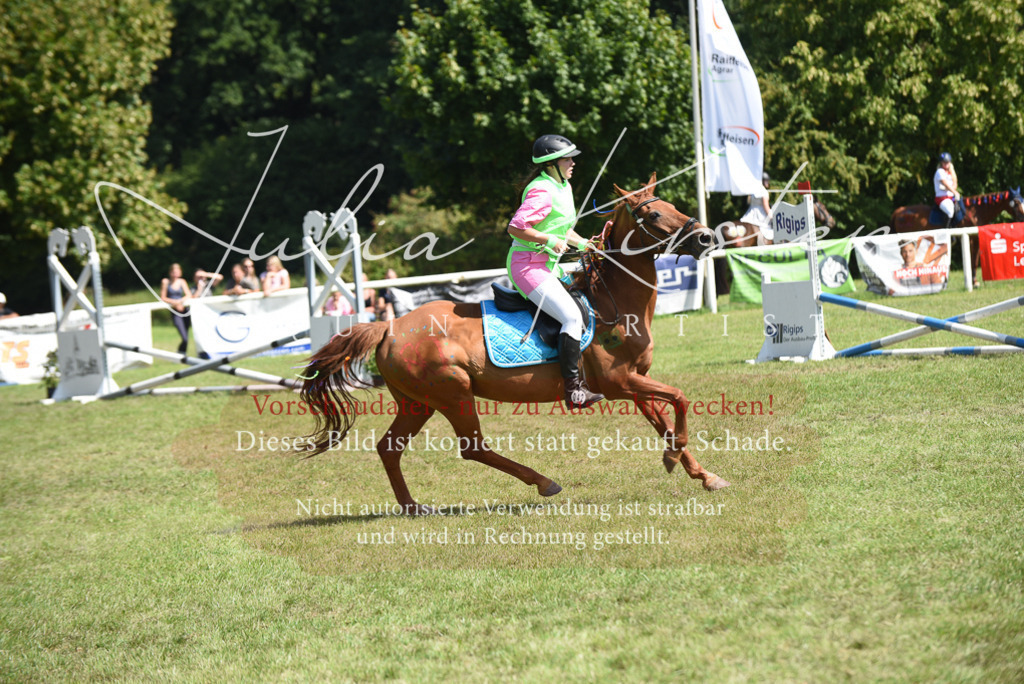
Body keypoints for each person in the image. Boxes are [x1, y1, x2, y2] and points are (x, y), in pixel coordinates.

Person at [506, 134, 602, 410]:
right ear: (551, 164)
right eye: (567, 159)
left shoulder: (563, 186)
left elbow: (559, 228)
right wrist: (548, 241)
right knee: (571, 317)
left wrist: (584, 243)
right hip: (527, 266)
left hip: (549, 266)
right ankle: (574, 391)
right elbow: (515, 227)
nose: (573, 163)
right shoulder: (541, 190)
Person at [160, 263, 192, 353]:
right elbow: (163, 297)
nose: (175, 275)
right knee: (184, 336)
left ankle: (182, 353)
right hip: (175, 311)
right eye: (174, 272)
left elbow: (188, 294)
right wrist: (175, 302)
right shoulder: (165, 282)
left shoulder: (182, 281)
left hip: (184, 310)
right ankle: (181, 353)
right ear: (170, 273)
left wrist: (180, 301)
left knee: (186, 335)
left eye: (177, 272)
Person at [934, 152, 963, 226]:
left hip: (951, 197)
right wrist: (954, 192)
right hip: (942, 198)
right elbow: (945, 184)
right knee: (950, 211)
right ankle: (946, 231)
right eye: (944, 162)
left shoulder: (951, 172)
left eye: (947, 162)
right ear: (941, 163)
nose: (946, 164)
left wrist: (953, 190)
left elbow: (955, 183)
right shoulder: (940, 172)